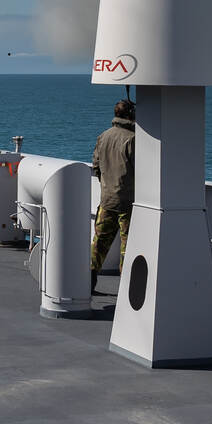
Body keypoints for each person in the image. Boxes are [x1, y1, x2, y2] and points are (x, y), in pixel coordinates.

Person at [90, 99, 135, 293]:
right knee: (127, 247)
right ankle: (126, 291)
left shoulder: (103, 136)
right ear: (131, 115)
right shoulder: (133, 139)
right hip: (127, 203)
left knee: (98, 244)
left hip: (107, 201)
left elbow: (96, 166)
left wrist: (107, 184)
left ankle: (87, 283)